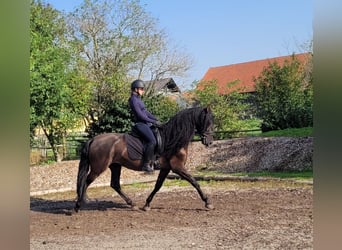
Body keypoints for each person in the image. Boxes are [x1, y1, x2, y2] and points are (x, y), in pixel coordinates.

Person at [128, 79, 160, 173]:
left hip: (146, 123)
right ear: (136, 89)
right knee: (152, 141)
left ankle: (156, 160)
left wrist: (155, 119)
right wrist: (152, 121)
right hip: (140, 124)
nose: (143, 91)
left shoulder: (138, 99)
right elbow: (140, 115)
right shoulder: (133, 100)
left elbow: (145, 112)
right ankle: (146, 164)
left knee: (159, 136)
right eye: (142, 89)